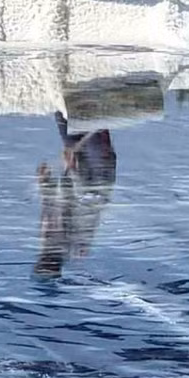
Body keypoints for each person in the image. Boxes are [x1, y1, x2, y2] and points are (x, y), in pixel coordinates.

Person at [33, 112, 118, 280]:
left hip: (79, 170)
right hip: (98, 173)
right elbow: (88, 201)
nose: (42, 258)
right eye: (44, 262)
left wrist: (45, 182)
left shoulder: (47, 243)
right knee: (94, 120)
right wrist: (72, 169)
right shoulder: (76, 244)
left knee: (62, 114)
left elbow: (50, 206)